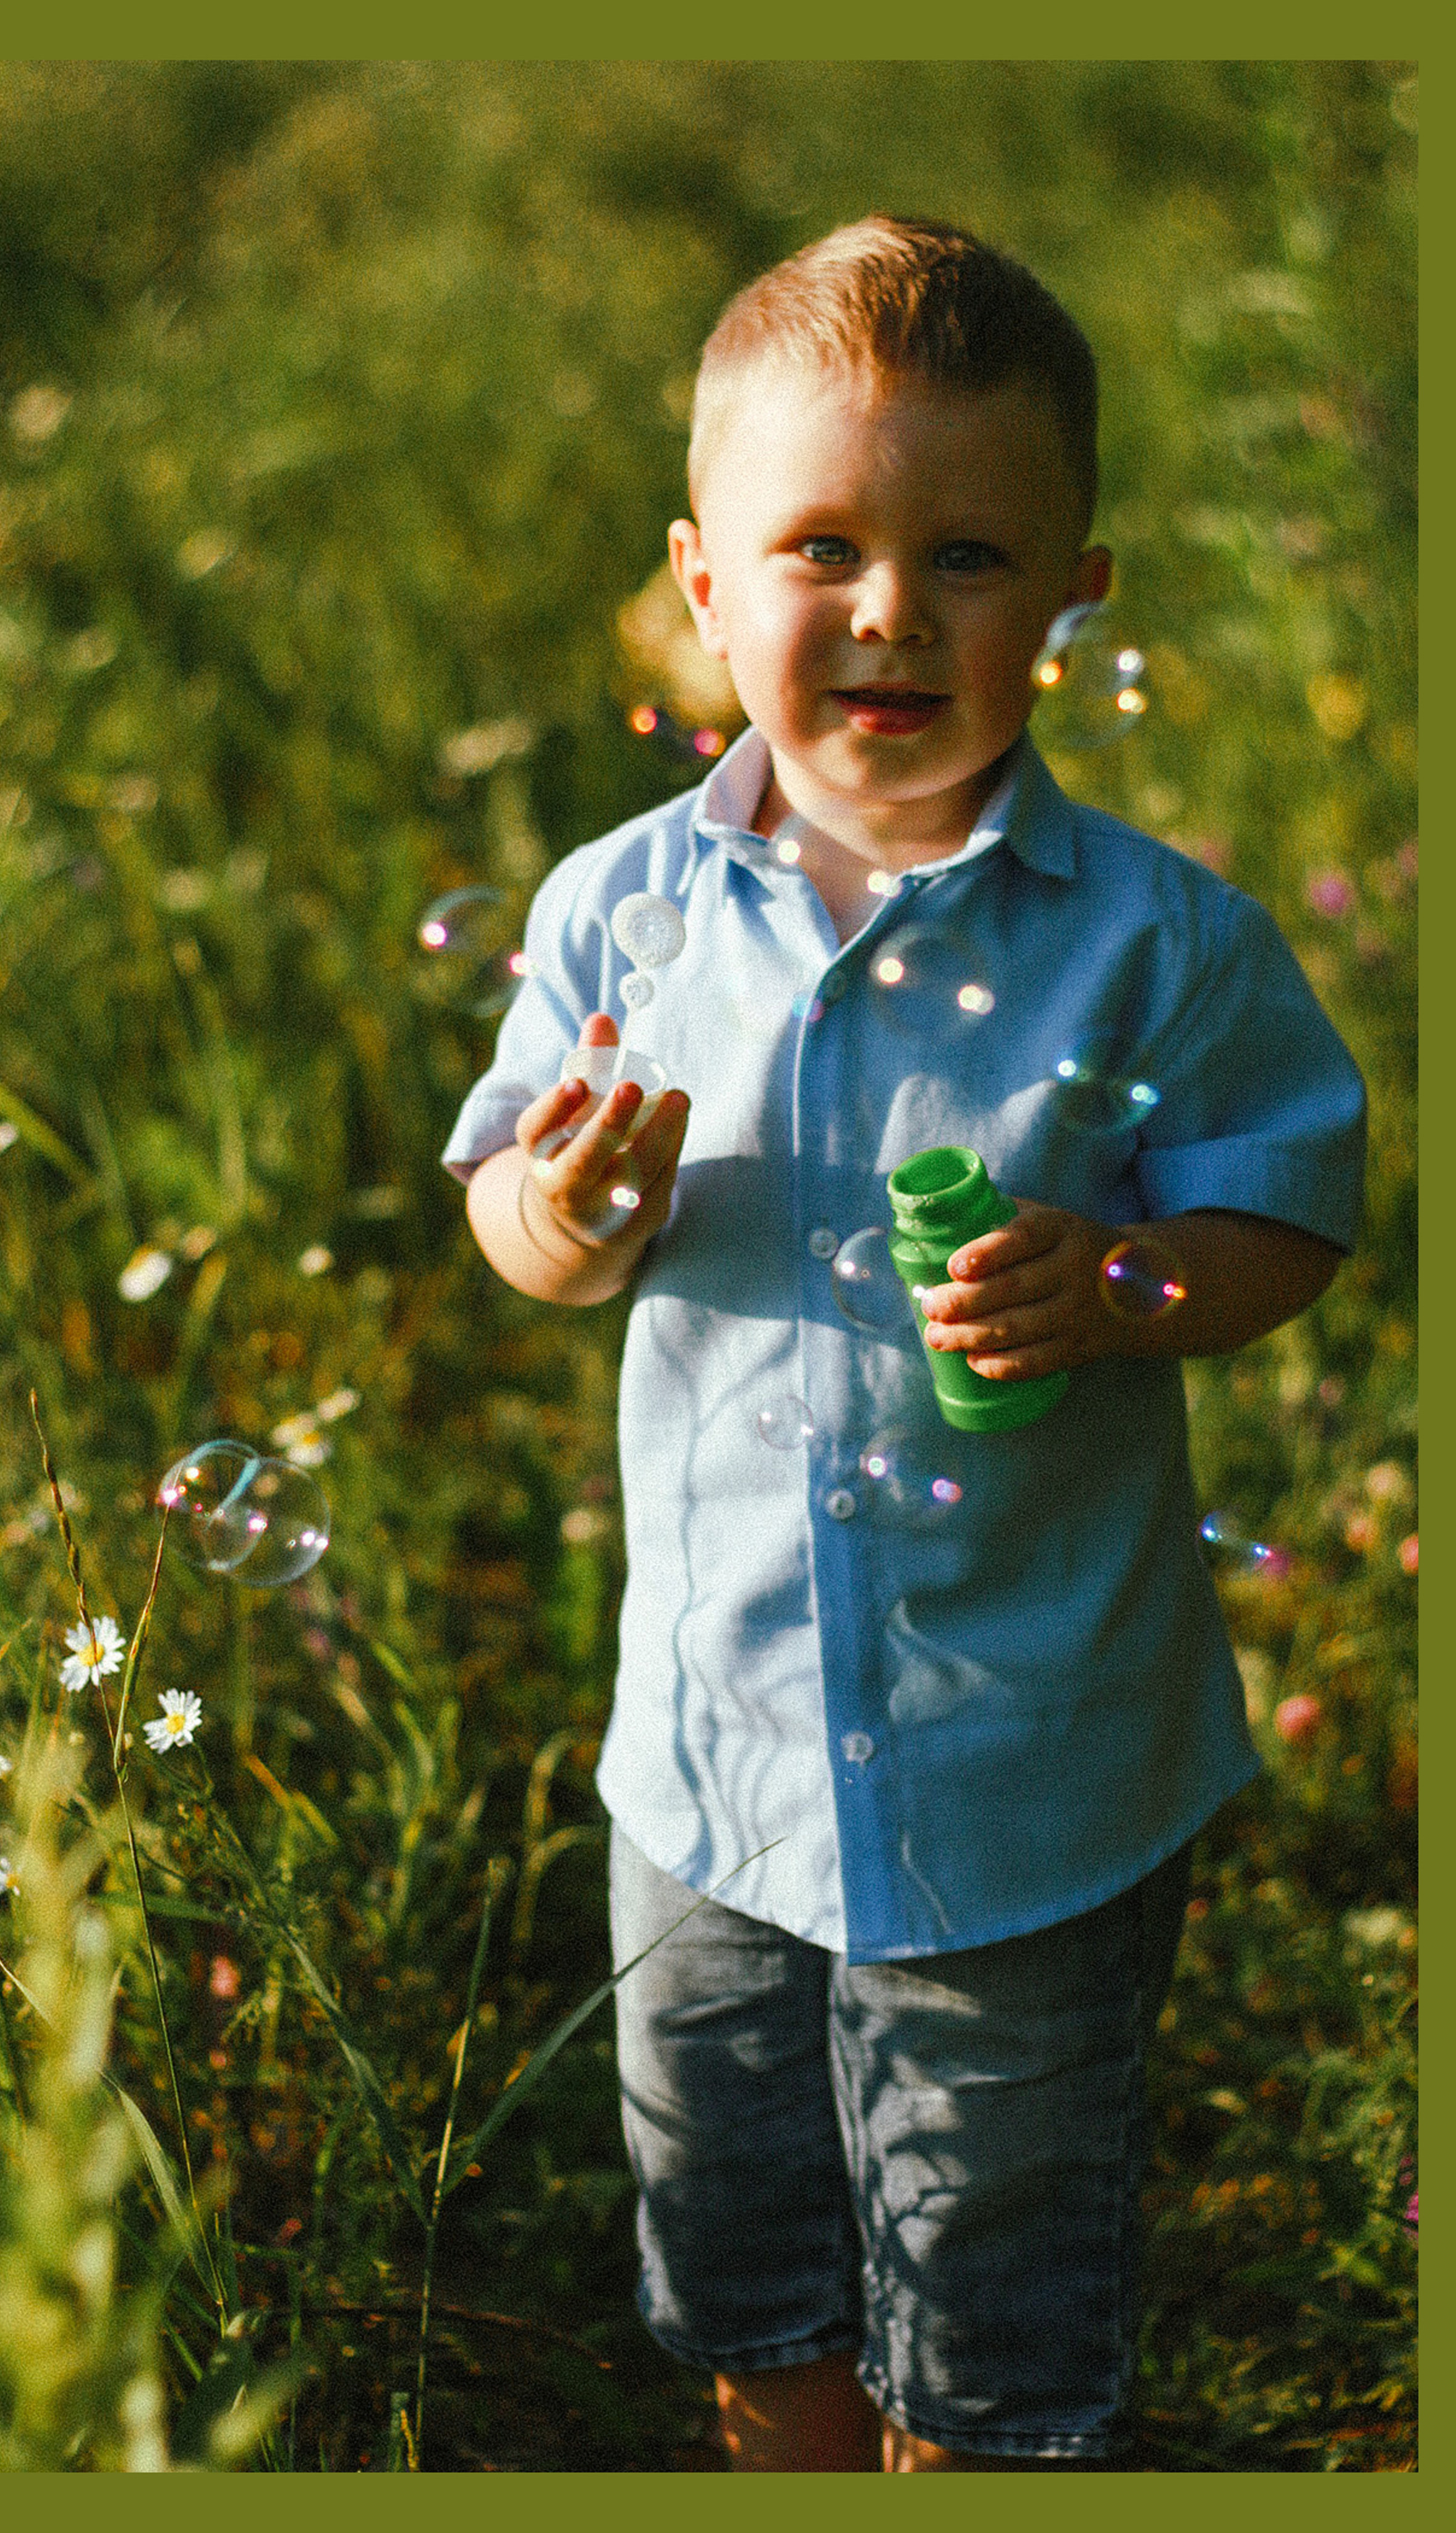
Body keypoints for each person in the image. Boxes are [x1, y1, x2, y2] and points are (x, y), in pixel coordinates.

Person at [442, 217, 1365, 2470]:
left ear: (1075, 591)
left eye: (967, 553)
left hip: (1022, 1771)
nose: (886, 612)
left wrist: (1122, 1284)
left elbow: (1282, 1212)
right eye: (818, 548)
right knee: (740, 2234)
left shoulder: (1155, 945)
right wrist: (561, 1216)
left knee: (995, 2254)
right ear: (699, 579)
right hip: (712, 1757)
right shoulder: (617, 913)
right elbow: (508, 1224)